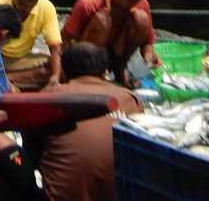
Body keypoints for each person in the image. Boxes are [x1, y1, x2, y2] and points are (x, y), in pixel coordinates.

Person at [31, 43, 141, 201]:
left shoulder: (47, 97)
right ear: (105, 72)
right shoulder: (129, 98)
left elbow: (32, 151)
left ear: (64, 71)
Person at [63, 0, 161, 87]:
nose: (133, 5)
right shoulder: (87, 4)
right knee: (103, 20)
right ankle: (93, 74)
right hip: (88, 59)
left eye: (137, 1)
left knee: (141, 18)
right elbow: (65, 39)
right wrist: (65, 70)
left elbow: (147, 42)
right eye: (129, 0)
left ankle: (120, 69)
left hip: (118, 56)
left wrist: (148, 55)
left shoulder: (142, 4)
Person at [0, 0, 63, 90]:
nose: (26, 10)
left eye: (31, 6)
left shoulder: (46, 7)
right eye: (22, 5)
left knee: (58, 68)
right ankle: (5, 80)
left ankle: (7, 79)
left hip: (20, 59)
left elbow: (55, 47)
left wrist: (55, 77)